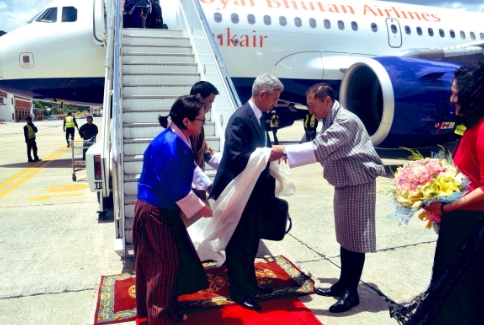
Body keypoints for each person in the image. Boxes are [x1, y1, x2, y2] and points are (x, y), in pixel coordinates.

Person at [274, 83, 385, 313]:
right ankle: (344, 283)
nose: (310, 111)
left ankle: (351, 293)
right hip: (345, 183)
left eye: (313, 105)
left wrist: (285, 151)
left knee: (355, 239)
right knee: (345, 236)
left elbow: (321, 147)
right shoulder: (328, 119)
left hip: (359, 184)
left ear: (327, 100)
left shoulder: (345, 120)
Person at [390, 62, 484, 325]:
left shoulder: (483, 130)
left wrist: (447, 207)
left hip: (472, 229)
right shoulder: (472, 127)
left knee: (464, 292)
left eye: (457, 93)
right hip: (460, 226)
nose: (452, 98)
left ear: (474, 93)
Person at [134, 95, 213, 324]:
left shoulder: (180, 138)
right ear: (187, 121)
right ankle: (161, 318)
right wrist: (201, 207)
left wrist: (208, 186)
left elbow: (190, 168)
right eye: (201, 119)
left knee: (170, 260)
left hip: (163, 208)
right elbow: (175, 186)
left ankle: (164, 310)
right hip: (156, 210)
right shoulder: (168, 144)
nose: (203, 123)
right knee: (163, 264)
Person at [210, 74, 286, 311]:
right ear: (262, 95)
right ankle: (240, 291)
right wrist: (267, 154)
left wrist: (268, 158)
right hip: (240, 194)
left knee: (251, 241)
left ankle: (250, 283)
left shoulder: (259, 116)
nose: (275, 104)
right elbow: (235, 158)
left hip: (254, 194)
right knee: (240, 243)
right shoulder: (240, 119)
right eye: (274, 99)